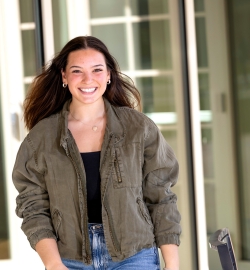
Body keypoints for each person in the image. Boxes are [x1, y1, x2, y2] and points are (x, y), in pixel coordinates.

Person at [12, 36, 181, 270]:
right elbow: (32, 206)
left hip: (134, 255)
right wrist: (53, 264)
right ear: (64, 76)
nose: (88, 79)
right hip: (69, 259)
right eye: (77, 71)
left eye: (97, 70)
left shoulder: (138, 128)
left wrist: (172, 265)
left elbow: (161, 195)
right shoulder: (41, 138)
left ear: (109, 74)